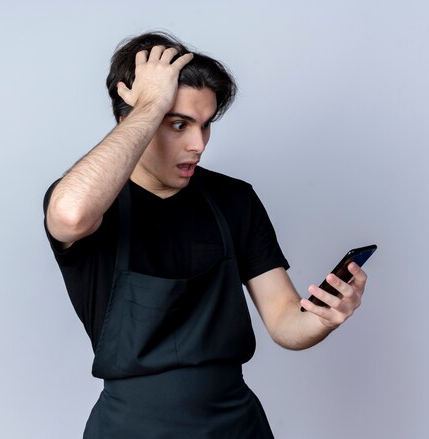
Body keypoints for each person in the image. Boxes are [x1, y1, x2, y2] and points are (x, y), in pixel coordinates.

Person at [43, 31, 368, 438]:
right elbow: (70, 216)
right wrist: (150, 104)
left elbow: (286, 322)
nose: (198, 144)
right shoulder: (90, 203)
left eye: (205, 125)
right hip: (129, 428)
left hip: (235, 425)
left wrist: (323, 318)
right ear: (131, 116)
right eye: (177, 124)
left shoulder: (234, 200)